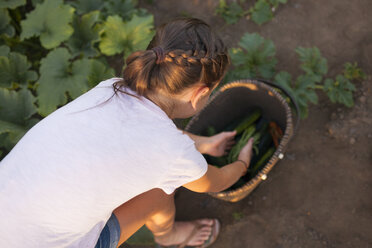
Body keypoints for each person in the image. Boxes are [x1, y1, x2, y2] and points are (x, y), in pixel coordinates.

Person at [0, 18, 254, 248]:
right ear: (200, 94)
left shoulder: (108, 89)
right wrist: (243, 164)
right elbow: (215, 182)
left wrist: (205, 144)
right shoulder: (169, 150)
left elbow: (145, 140)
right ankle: (169, 236)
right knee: (160, 192)